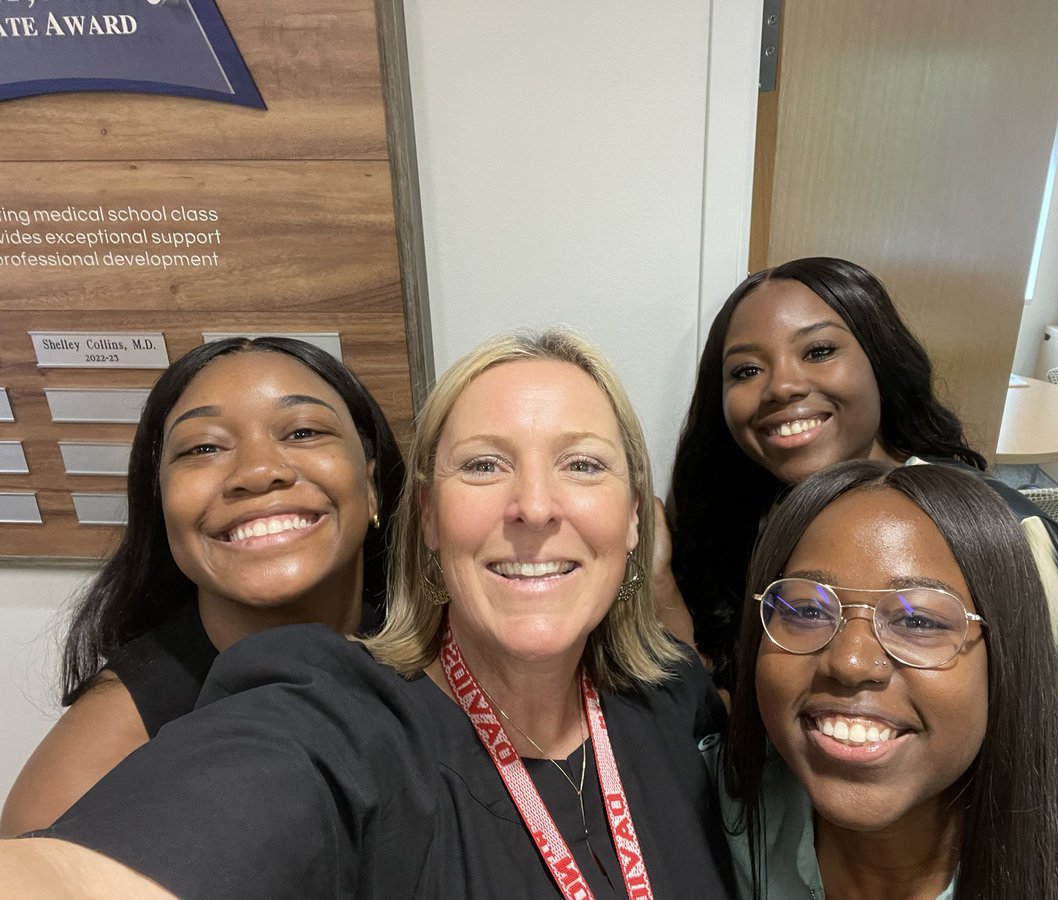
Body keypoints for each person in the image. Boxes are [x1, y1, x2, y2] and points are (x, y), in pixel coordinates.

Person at [1, 329, 735, 898]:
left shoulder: (674, 695)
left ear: (637, 516)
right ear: (427, 514)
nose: (535, 506)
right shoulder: (333, 718)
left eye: (583, 464)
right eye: (483, 464)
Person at [665, 256, 1058, 770]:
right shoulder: (748, 518)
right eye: (747, 370)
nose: (781, 386)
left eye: (819, 350)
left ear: (881, 363)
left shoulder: (1002, 529)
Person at [722, 461, 1058, 900]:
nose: (849, 662)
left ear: (1006, 661)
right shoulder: (707, 814)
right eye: (806, 610)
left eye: (919, 621)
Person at [1, 336, 405, 837]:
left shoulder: (451, 649)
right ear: (162, 504)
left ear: (371, 485)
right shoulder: (80, 791)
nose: (258, 472)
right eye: (204, 447)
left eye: (302, 432)